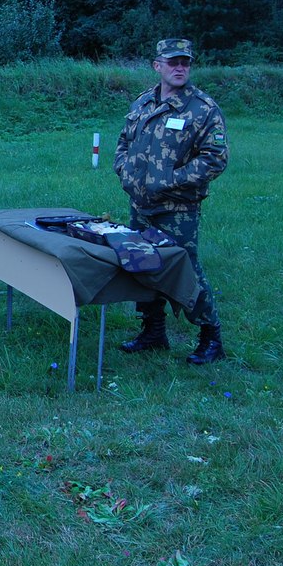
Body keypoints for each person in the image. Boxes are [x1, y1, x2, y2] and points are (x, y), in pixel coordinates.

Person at [114, 38, 229, 365]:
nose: (180, 68)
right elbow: (123, 142)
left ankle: (211, 337)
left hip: (177, 209)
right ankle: (153, 332)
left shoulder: (202, 108)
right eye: (173, 62)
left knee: (185, 271)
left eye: (185, 62)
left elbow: (215, 158)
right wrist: (125, 171)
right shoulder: (143, 103)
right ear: (158, 66)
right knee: (142, 264)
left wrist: (169, 180)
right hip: (141, 204)